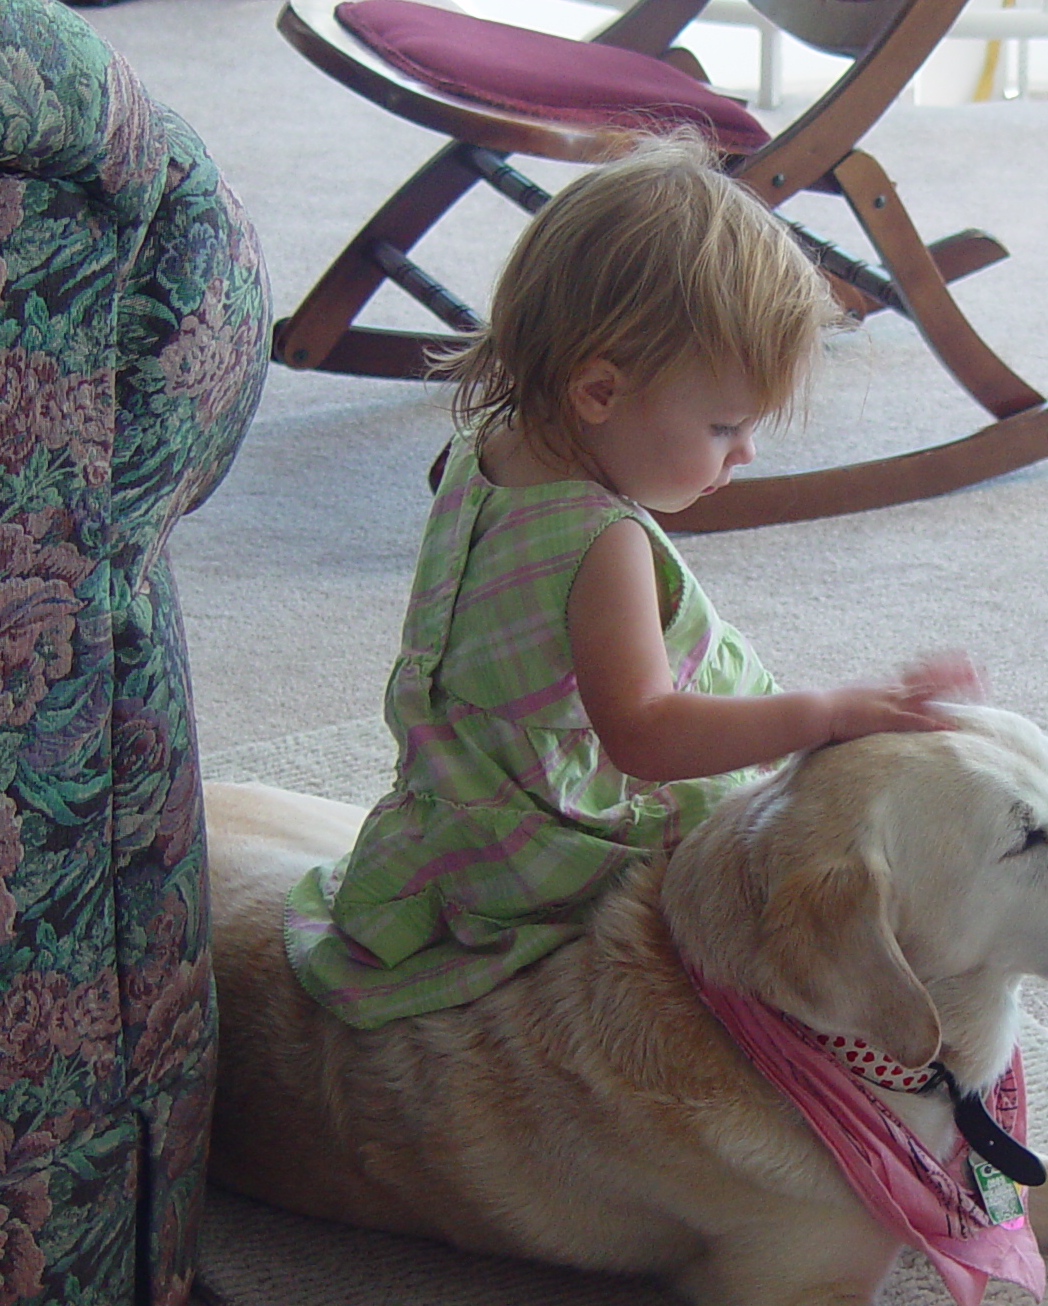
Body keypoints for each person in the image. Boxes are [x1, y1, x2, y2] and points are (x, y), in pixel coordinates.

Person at [287, 134, 976, 1027]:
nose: (746, 452)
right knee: (780, 871)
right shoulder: (599, 540)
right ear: (599, 392)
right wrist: (826, 713)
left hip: (463, 804)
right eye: (726, 424)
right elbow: (646, 736)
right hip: (543, 849)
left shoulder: (480, 455)